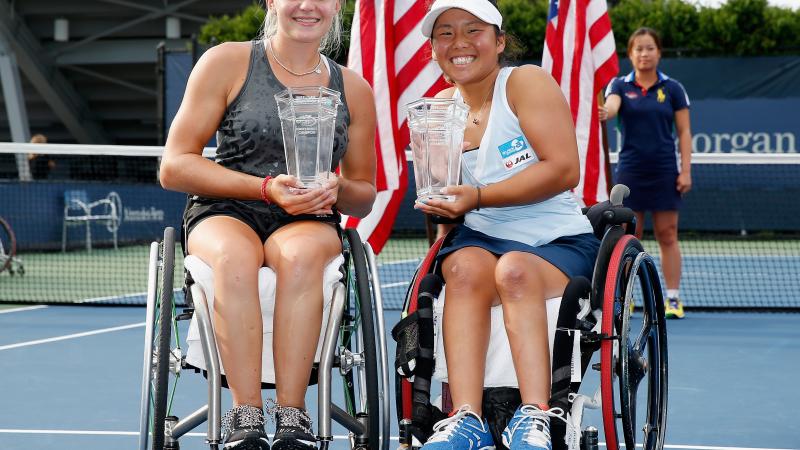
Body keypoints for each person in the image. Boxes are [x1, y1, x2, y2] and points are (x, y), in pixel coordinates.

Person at [159, 0, 377, 447]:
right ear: (272, 2)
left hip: (308, 217)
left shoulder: (352, 88)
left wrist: (335, 190)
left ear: (336, 5)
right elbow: (174, 166)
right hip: (226, 209)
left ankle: (293, 417)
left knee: (299, 258)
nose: (307, 6)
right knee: (235, 256)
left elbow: (364, 191)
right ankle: (245, 415)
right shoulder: (226, 62)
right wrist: (264, 188)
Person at [413, 1, 600, 449]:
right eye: (445, 34)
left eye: (472, 30)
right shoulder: (439, 107)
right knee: (460, 271)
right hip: (481, 234)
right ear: (434, 51)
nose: (458, 42)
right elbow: (448, 196)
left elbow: (562, 170)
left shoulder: (526, 82)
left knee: (513, 271)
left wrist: (477, 196)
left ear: (498, 42)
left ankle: (535, 416)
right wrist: (444, 205)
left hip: (556, 235)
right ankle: (466, 418)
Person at [599, 27, 692, 319]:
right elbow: (612, 106)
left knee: (668, 234)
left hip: (665, 170)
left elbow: (684, 131)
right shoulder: (618, 85)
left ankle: (673, 299)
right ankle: (626, 298)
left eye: (650, 48)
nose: (644, 54)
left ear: (659, 52)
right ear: (630, 54)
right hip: (630, 173)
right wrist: (605, 111)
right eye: (638, 49)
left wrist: (685, 170)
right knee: (629, 237)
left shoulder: (674, 89)